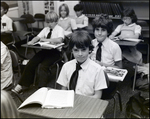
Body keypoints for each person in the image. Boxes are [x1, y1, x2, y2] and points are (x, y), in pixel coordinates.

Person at [12, 11, 64, 94]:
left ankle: (41, 89)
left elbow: (59, 40)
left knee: (44, 66)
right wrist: (32, 41)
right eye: (47, 22)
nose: (49, 24)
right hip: (44, 51)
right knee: (31, 63)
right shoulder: (45, 29)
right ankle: (21, 85)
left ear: (56, 21)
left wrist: (46, 40)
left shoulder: (59, 29)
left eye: (51, 22)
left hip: (55, 53)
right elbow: (37, 37)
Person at [56, 30, 107, 99]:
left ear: (89, 49)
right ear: (72, 50)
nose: (80, 54)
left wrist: (80, 102)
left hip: (88, 103)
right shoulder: (66, 66)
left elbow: (98, 96)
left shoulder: (97, 70)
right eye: (76, 50)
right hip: (69, 101)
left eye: (83, 50)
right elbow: (64, 88)